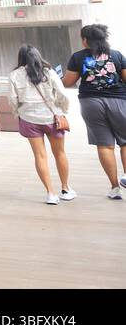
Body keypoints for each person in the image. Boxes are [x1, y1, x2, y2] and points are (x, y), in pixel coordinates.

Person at [63, 24, 126, 199]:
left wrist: (56, 77)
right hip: (119, 101)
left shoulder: (78, 57)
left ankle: (115, 188)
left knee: (104, 144)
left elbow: (68, 82)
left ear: (85, 40)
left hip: (90, 103)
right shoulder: (116, 55)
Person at [10, 45, 75, 204]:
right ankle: (65, 189)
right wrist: (62, 111)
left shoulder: (14, 75)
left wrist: (18, 113)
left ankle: (50, 194)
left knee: (40, 156)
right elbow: (62, 95)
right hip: (52, 118)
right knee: (60, 153)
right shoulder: (49, 72)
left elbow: (12, 100)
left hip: (29, 119)